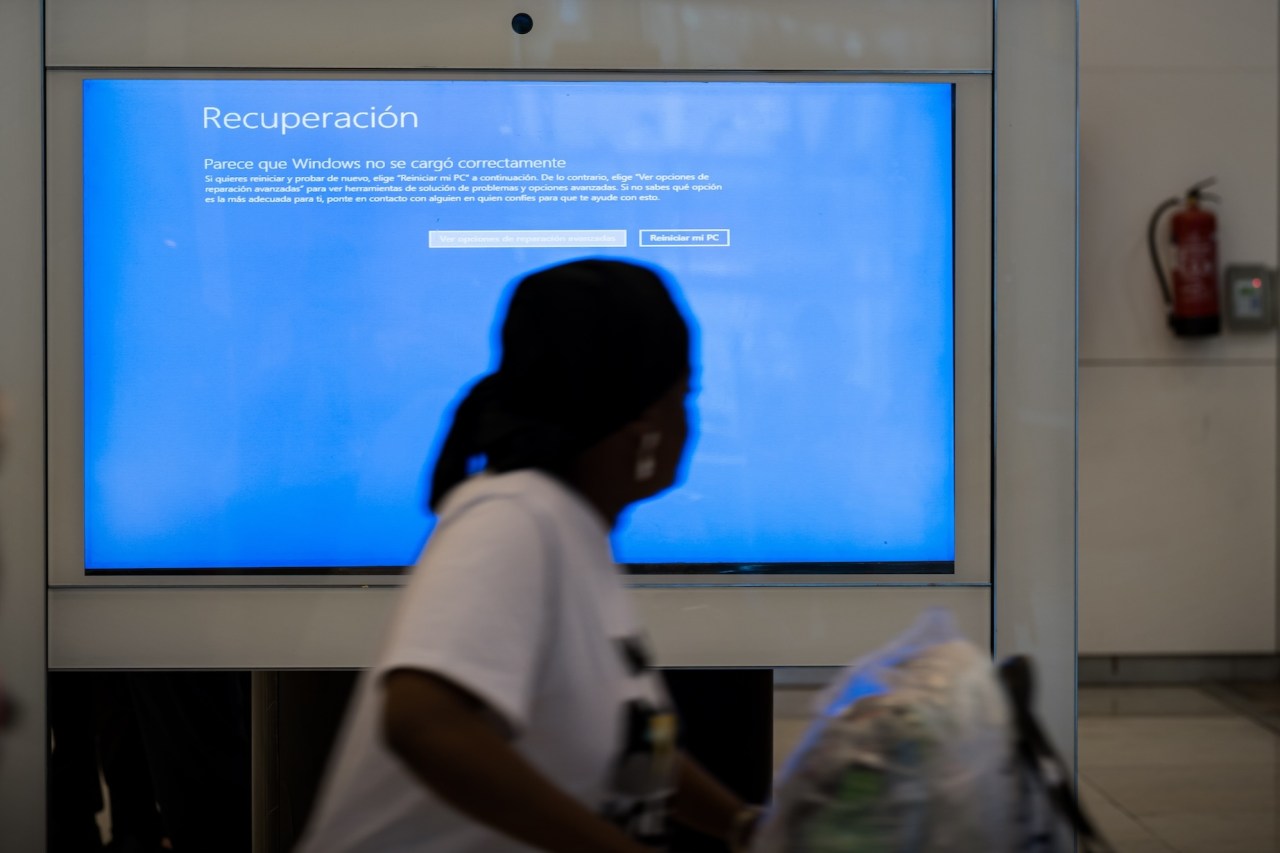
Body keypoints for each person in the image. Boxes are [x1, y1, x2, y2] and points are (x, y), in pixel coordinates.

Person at [299, 259, 757, 853]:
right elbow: (423, 720)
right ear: (641, 416)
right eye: (684, 393)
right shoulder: (512, 517)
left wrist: (749, 828)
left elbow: (634, 747)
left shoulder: (573, 531)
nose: (689, 419)